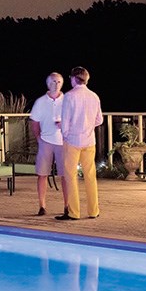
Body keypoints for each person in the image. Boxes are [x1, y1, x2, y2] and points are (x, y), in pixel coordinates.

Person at [56, 67, 103, 221]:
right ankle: (93, 211)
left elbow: (66, 121)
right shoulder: (94, 96)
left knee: (71, 176)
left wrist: (65, 135)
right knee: (90, 176)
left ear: (74, 78)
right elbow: (99, 120)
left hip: (73, 141)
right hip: (89, 141)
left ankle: (74, 212)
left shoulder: (69, 96)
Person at [29, 72, 68, 216]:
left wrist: (64, 125)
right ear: (48, 84)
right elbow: (34, 122)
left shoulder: (67, 100)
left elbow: (73, 119)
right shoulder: (40, 102)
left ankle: (67, 205)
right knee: (42, 174)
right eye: (53, 82)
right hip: (45, 141)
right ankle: (42, 205)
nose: (56, 84)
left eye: (58, 82)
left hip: (63, 142)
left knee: (65, 175)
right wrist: (39, 138)